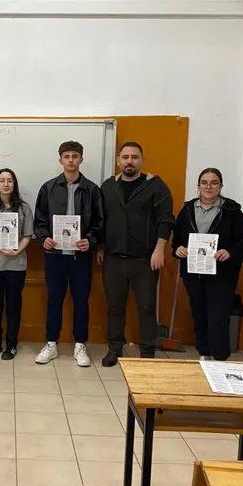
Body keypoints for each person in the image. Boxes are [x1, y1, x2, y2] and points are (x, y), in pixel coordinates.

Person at [98, 142, 174, 367]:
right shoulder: (108, 187)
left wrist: (159, 249)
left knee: (147, 308)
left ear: (142, 160)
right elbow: (101, 219)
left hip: (145, 260)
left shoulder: (157, 186)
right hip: (113, 258)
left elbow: (166, 220)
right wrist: (100, 246)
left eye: (134, 157)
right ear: (118, 161)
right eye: (125, 157)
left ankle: (147, 353)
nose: (129, 161)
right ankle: (114, 349)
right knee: (114, 307)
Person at [34, 141, 103, 367]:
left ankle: (80, 345)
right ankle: (51, 344)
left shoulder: (92, 190)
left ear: (81, 159)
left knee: (81, 301)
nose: (71, 160)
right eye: (67, 156)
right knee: (54, 300)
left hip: (80, 257)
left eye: (75, 156)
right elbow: (39, 220)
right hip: (55, 255)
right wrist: (44, 238)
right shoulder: (48, 188)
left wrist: (90, 240)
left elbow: (100, 223)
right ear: (60, 160)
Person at [172, 167, 243, 361]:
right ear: (198, 186)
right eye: (204, 182)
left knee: (218, 316)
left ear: (220, 186)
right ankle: (204, 353)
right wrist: (178, 250)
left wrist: (229, 252)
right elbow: (176, 241)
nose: (209, 186)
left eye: (214, 183)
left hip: (222, 275)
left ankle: (220, 357)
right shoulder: (188, 210)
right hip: (194, 273)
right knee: (199, 314)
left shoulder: (232, 212)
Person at [0, 168, 34, 360]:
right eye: (2, 180)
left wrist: (17, 251)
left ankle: (11, 344)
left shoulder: (24, 208)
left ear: (14, 184)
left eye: (9, 180)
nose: (5, 184)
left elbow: (28, 235)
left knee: (13, 305)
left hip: (15, 265)